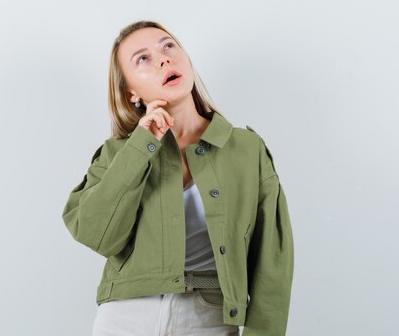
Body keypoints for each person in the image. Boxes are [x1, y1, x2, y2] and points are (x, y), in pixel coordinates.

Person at [61, 20, 294, 336]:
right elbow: (96, 234)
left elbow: (273, 263)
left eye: (168, 45)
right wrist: (141, 146)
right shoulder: (117, 153)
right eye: (142, 58)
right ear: (131, 92)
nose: (162, 59)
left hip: (208, 319)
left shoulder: (246, 149)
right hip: (123, 318)